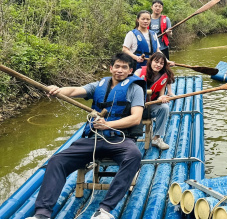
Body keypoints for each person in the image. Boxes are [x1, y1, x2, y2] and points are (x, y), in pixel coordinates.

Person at [27, 53, 146, 219]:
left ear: (130, 71)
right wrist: (59, 90)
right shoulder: (99, 85)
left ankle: (104, 210)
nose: (120, 70)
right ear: (111, 68)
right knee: (57, 161)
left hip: (120, 139)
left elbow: (136, 118)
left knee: (134, 156)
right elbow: (76, 90)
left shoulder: (136, 88)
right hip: (94, 139)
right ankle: (42, 214)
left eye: (124, 67)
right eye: (117, 66)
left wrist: (108, 124)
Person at [135, 51, 175, 149]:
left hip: (149, 108)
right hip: (135, 108)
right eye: (156, 62)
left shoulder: (163, 77)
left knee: (164, 107)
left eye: (161, 63)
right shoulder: (139, 72)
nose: (158, 65)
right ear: (151, 61)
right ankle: (129, 139)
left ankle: (156, 138)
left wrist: (161, 98)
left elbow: (160, 96)